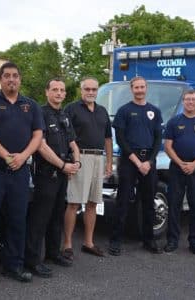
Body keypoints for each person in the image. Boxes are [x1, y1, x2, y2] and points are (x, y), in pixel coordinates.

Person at [0, 62, 43, 290]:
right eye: (7, 76)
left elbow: (38, 136)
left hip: (19, 173)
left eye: (15, 76)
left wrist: (22, 157)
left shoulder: (30, 105)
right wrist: (6, 156)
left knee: (17, 220)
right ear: (0, 80)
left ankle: (14, 266)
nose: (11, 79)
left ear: (20, 80)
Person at [25, 78, 80, 277]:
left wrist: (77, 163)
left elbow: (73, 143)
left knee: (57, 215)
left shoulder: (64, 115)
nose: (58, 93)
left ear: (65, 94)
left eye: (62, 90)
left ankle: (53, 253)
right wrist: (64, 165)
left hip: (63, 174)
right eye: (54, 89)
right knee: (40, 218)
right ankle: (32, 260)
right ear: (47, 92)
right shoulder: (39, 113)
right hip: (46, 174)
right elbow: (41, 145)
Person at [108, 76, 163, 256]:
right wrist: (137, 161)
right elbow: (121, 139)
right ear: (131, 89)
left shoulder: (154, 111)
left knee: (148, 202)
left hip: (148, 161)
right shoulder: (124, 111)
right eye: (136, 87)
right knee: (123, 202)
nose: (139, 90)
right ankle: (116, 240)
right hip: (129, 161)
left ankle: (149, 240)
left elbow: (158, 139)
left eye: (142, 87)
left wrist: (149, 161)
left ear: (146, 88)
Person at [62, 77, 112, 260]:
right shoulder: (71, 109)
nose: (91, 92)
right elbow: (66, 135)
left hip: (99, 159)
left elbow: (108, 138)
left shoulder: (102, 111)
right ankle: (67, 244)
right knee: (74, 203)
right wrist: (72, 158)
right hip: (79, 158)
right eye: (87, 89)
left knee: (92, 203)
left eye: (94, 89)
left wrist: (108, 162)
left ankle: (88, 243)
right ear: (81, 90)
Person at [164, 90, 195, 255]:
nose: (190, 102)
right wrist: (180, 163)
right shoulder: (174, 122)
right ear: (183, 102)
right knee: (173, 206)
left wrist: (194, 164)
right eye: (187, 99)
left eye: (193, 100)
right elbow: (168, 146)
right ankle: (172, 240)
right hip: (176, 168)